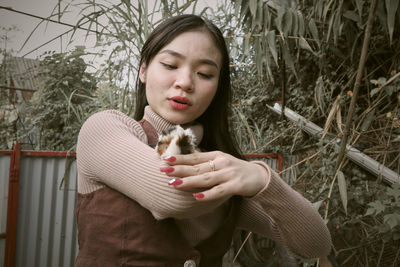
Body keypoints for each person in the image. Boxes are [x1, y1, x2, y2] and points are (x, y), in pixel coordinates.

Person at [75, 14, 332, 266]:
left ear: (218, 86)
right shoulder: (104, 129)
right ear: (143, 70)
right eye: (170, 65)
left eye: (205, 73)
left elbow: (314, 245)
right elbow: (172, 196)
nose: (185, 82)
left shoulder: (226, 173)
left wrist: (263, 179)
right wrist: (194, 138)